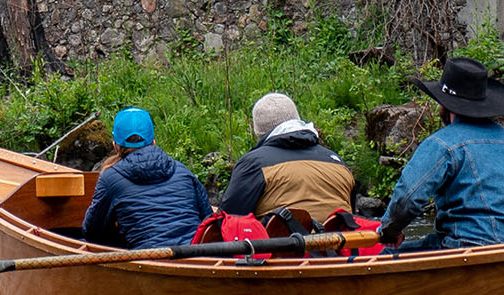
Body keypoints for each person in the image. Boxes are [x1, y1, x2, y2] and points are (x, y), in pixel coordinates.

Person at [377, 57, 504, 251]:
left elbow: (408, 198)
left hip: (466, 247)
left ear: (445, 106)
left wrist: (389, 231)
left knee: (385, 254)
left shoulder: (442, 144)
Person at [82, 107, 210, 248]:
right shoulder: (182, 170)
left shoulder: (110, 179)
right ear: (153, 141)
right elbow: (209, 219)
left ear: (115, 146)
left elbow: (92, 233)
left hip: (148, 259)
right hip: (195, 256)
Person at [220, 92, 356, 224]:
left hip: (281, 246)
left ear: (259, 132)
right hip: (340, 244)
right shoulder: (337, 161)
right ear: (297, 119)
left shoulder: (253, 164)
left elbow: (228, 220)